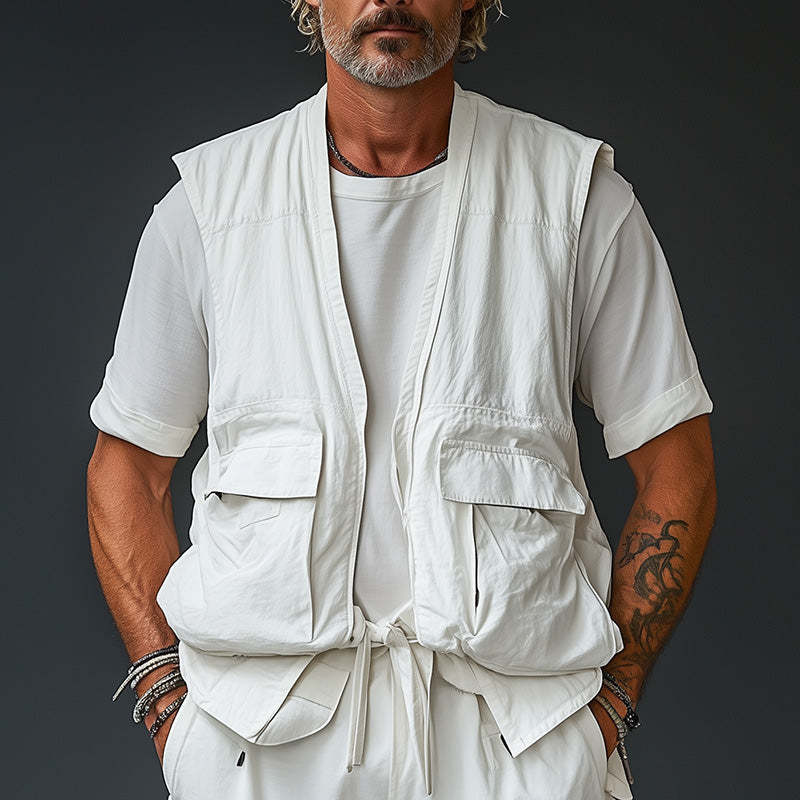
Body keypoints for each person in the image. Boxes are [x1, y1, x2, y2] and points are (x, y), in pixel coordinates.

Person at [86, 2, 717, 798]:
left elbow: (679, 464)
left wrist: (612, 704)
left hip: (521, 750)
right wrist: (167, 706)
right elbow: (126, 470)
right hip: (256, 752)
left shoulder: (575, 199)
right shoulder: (211, 209)